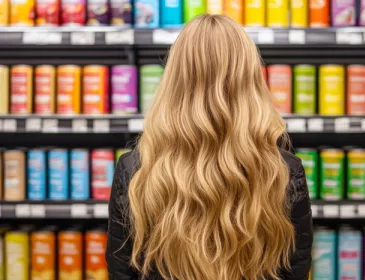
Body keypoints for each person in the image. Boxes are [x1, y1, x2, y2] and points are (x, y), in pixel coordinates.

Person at [106, 14, 312, 280]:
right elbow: (294, 267)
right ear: (249, 80)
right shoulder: (281, 170)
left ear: (175, 79)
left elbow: (123, 271)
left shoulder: (136, 169)